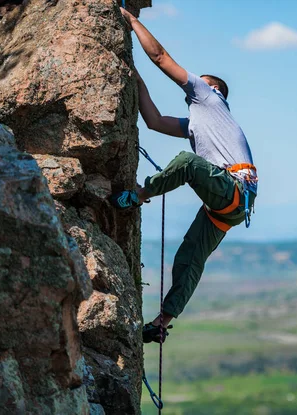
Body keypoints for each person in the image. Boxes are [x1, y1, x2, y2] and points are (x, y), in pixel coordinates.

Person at [110, 7, 258, 344]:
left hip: (232, 188)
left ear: (214, 89)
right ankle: (161, 324)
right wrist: (132, 75)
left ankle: (138, 196)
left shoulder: (209, 97)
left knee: (188, 164)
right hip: (231, 206)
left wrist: (132, 22)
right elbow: (155, 121)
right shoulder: (198, 125)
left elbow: (162, 57)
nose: (191, 85)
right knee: (189, 259)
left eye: (199, 82)